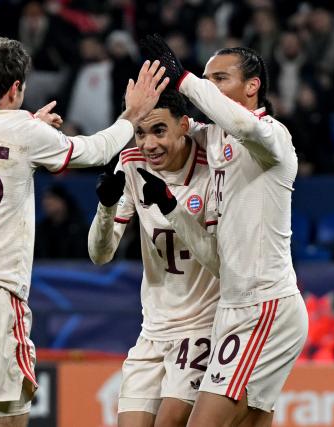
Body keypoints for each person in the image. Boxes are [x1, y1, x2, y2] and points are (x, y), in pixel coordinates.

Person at [0, 36, 168, 427]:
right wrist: (130, 117)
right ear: (15, 88)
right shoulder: (23, 134)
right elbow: (93, 151)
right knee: (4, 419)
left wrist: (27, 123)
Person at [140, 36, 308, 427]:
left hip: (264, 304)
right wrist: (170, 207)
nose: (209, 86)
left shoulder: (271, 136)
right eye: (206, 78)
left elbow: (239, 122)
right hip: (232, 305)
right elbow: (212, 255)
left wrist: (183, 78)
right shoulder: (212, 140)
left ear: (252, 86)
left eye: (220, 78)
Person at [88, 89, 220, 427]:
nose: (148, 144)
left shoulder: (213, 169)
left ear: (184, 126)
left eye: (159, 130)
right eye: (140, 133)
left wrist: (170, 207)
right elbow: (100, 255)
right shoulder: (132, 164)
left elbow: (219, 263)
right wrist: (104, 209)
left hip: (202, 328)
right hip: (153, 331)